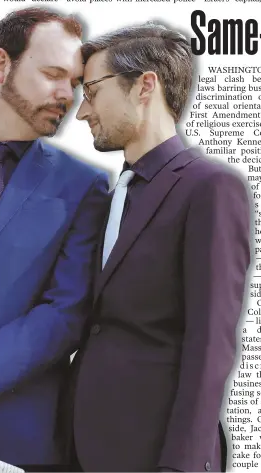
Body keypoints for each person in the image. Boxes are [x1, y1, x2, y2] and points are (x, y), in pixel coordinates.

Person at [0, 7, 109, 473]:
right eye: (53, 75)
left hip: (21, 447)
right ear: (1, 65)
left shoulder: (86, 186)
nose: (66, 94)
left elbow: (66, 311)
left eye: (73, 82)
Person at [70, 22, 251, 472]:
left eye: (91, 90)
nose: (82, 112)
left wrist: (180, 466)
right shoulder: (112, 196)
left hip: (157, 454)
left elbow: (211, 345)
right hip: (86, 449)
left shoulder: (211, 187)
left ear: (144, 85)